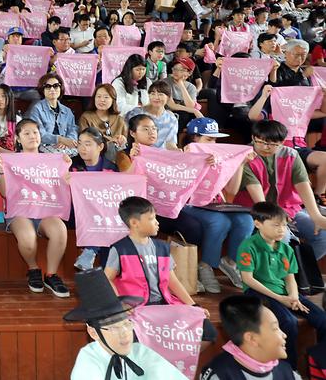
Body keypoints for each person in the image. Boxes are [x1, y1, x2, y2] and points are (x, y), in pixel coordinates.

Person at [105, 196, 217, 343]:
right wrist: (121, 304)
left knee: (208, 332)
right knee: (133, 339)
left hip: (165, 305)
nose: (157, 222)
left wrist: (193, 305)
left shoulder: (162, 248)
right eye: (152, 218)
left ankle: (174, 362)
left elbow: (172, 281)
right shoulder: (120, 249)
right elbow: (106, 279)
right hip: (137, 309)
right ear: (134, 223)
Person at [237, 201, 326, 368]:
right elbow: (248, 280)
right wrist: (280, 298)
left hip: (284, 292)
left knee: (322, 319)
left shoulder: (286, 249)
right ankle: (289, 369)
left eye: (284, 226)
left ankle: (320, 364)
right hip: (258, 292)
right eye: (276, 225)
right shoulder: (248, 246)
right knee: (288, 322)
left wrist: (292, 296)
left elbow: (289, 277)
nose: (281, 230)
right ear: (258, 224)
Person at [0, 118, 70, 297]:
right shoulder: (11, 161)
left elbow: (61, 187)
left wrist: (66, 170)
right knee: (27, 238)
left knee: (60, 230)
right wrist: (2, 170)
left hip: (46, 211)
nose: (32, 136)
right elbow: (5, 192)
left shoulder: (54, 161)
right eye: (26, 133)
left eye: (35, 132)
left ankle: (51, 274)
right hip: (21, 212)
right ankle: (33, 269)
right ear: (18, 139)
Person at [66, 268, 186, 380]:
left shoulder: (139, 352)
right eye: (114, 328)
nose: (125, 334)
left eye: (127, 324)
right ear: (93, 333)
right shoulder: (88, 362)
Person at [233, 120, 326, 260]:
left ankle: (295, 274)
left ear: (282, 142)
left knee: (323, 236)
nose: (265, 147)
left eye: (272, 144)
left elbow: (303, 186)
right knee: (282, 236)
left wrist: (317, 217)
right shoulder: (245, 157)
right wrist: (279, 220)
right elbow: (261, 202)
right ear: (253, 138)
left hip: (288, 209)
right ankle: (278, 276)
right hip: (256, 212)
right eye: (260, 142)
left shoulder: (291, 155)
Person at [182, 117, 254, 293]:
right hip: (189, 204)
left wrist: (240, 164)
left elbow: (231, 190)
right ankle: (205, 266)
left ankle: (231, 262)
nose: (213, 143)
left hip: (215, 204)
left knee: (246, 220)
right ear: (194, 139)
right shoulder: (182, 154)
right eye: (208, 139)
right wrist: (194, 161)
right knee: (220, 222)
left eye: (215, 139)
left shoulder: (219, 158)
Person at [199, 295, 295, 379]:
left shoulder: (287, 372)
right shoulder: (220, 375)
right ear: (252, 338)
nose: (284, 335)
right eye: (275, 328)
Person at [70, 128, 119, 272]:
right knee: (104, 222)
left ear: (100, 146)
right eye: (79, 143)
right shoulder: (72, 166)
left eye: (88, 144)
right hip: (77, 213)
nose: (82, 148)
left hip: (103, 214)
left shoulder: (111, 168)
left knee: (108, 221)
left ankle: (91, 253)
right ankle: (91, 254)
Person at [24, 73, 77, 154]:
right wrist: (59, 139)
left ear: (60, 88)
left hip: (65, 146)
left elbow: (73, 130)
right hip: (45, 146)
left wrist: (67, 141)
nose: (52, 89)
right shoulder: (37, 109)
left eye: (56, 86)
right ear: (43, 90)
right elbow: (39, 134)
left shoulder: (67, 111)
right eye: (48, 86)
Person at [78, 84, 128, 162]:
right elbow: (84, 141)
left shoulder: (119, 120)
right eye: (98, 96)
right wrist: (111, 140)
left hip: (117, 157)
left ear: (113, 100)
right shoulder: (86, 117)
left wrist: (122, 140)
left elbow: (125, 143)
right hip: (95, 157)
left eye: (106, 97)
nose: (102, 100)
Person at [125, 81, 179, 149]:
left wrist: (177, 151)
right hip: (139, 152)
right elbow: (126, 135)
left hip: (160, 156)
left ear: (168, 97)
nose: (156, 97)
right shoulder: (136, 113)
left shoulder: (172, 119)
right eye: (153, 94)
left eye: (160, 94)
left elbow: (170, 144)